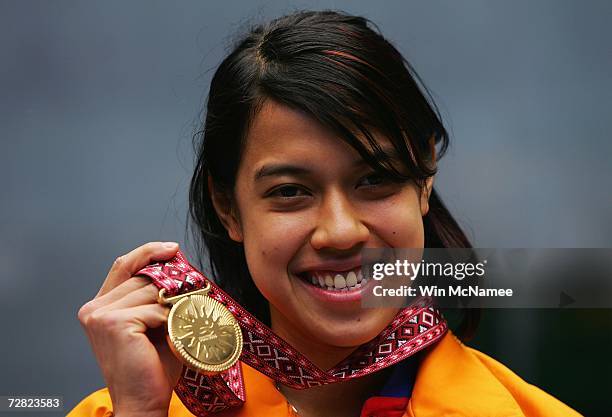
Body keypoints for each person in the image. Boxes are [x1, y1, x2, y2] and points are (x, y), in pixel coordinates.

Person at [68, 10, 582, 417]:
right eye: (291, 191)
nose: (340, 232)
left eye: (375, 180)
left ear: (424, 179)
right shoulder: (127, 410)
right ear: (228, 206)